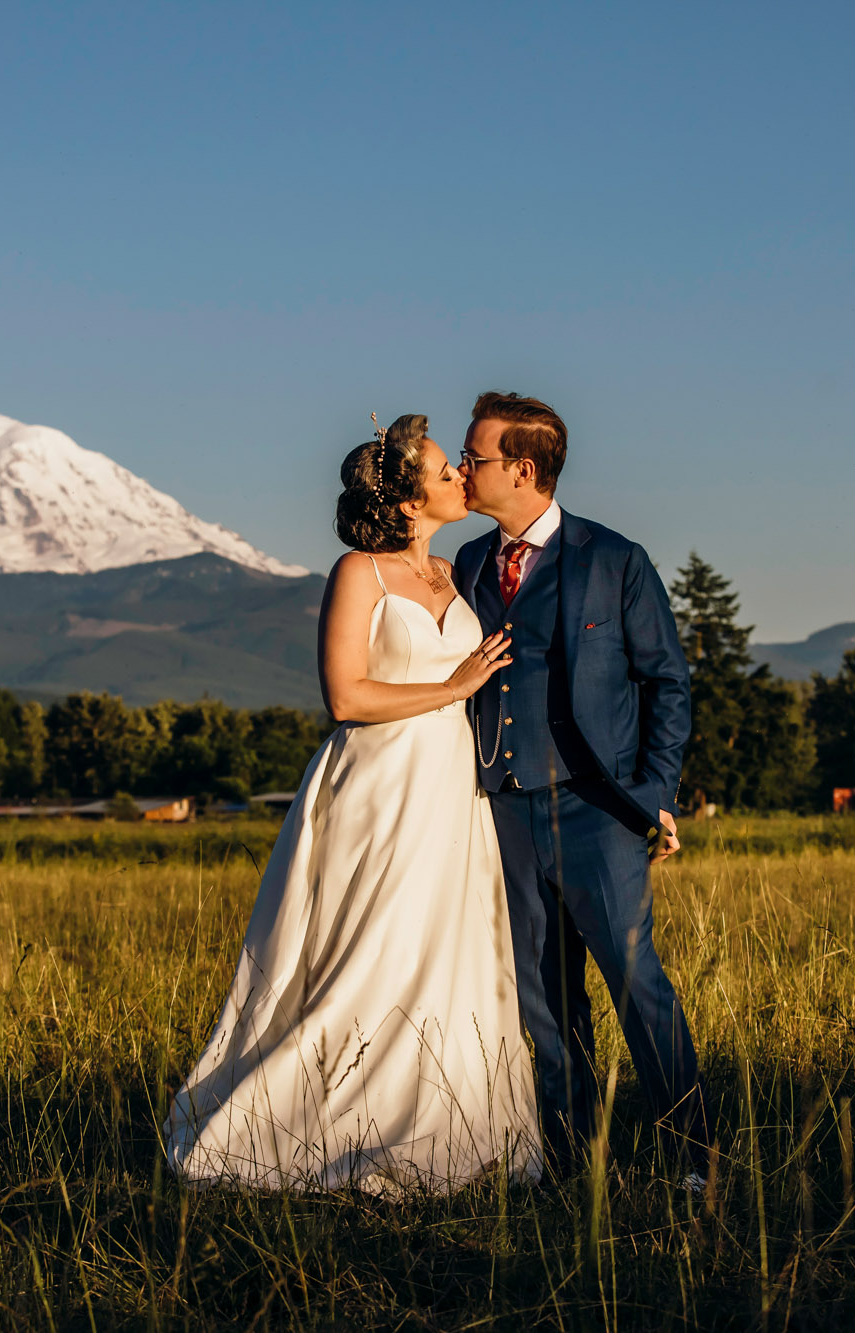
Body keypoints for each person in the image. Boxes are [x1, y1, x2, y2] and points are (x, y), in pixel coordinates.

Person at [163, 414, 542, 1194]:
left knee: (450, 945)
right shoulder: (359, 573)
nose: (458, 480)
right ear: (406, 503)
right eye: (443, 473)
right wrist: (453, 685)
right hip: (378, 783)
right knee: (373, 944)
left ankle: (447, 1112)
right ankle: (323, 1117)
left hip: (450, 787)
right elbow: (345, 694)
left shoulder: (455, 574)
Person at [453, 391, 710, 1185]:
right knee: (546, 1003)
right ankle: (570, 1165)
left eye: (477, 457)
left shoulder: (614, 559)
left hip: (597, 808)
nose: (464, 470)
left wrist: (657, 791)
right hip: (504, 810)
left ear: (523, 469)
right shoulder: (466, 565)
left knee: (639, 987)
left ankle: (692, 1159)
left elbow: (668, 681)